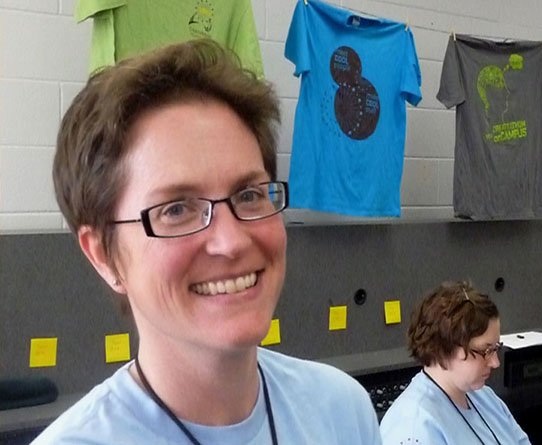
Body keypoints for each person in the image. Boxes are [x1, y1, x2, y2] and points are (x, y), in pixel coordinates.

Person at [32, 39, 382, 444]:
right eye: (176, 209)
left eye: (249, 195)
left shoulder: (341, 413)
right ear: (102, 256)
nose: (231, 241)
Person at [380, 281, 531, 445]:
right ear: (446, 348)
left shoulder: (486, 398)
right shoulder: (413, 428)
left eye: (496, 349)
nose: (495, 362)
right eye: (486, 351)